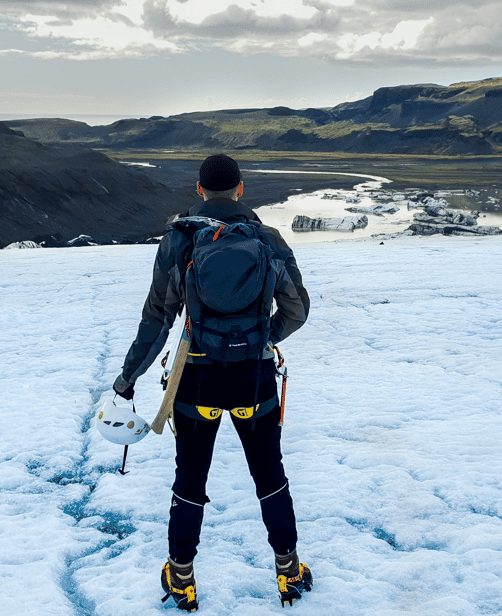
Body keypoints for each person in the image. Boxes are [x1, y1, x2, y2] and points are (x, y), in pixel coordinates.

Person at [112, 154, 311, 610]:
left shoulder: (180, 240)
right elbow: (297, 310)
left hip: (195, 378)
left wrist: (128, 379)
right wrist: (261, 336)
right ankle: (288, 571)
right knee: (269, 475)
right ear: (241, 190)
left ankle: (181, 578)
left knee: (190, 478)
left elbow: (156, 319)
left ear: (199, 191)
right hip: (254, 379)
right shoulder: (268, 239)